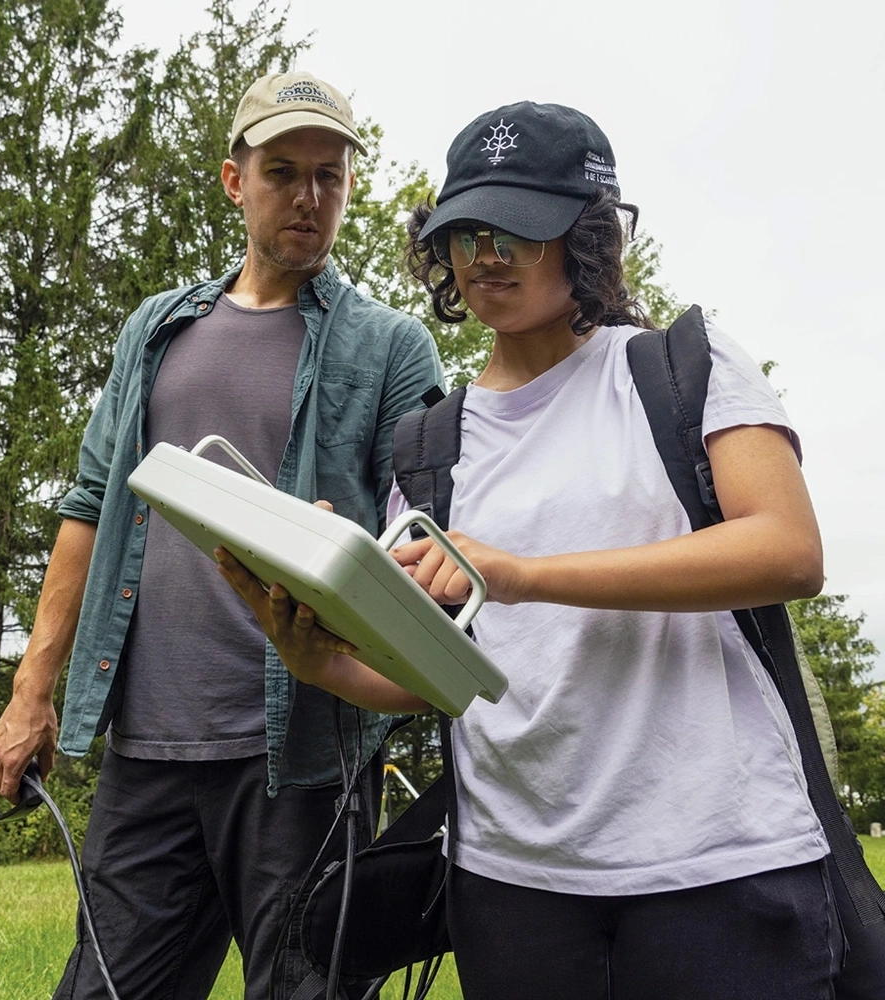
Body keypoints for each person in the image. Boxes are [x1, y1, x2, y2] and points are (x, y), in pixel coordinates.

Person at [217, 101, 845, 999]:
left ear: (588, 237)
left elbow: (789, 550)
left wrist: (520, 574)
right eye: (465, 231)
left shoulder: (680, 369)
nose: (484, 255)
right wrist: (321, 661)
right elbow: (440, 674)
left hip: (718, 864)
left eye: (518, 228)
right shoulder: (429, 444)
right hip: (512, 884)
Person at [0, 70, 442, 999]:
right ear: (235, 180)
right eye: (283, 172)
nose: (310, 198)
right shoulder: (159, 329)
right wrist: (32, 695)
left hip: (302, 757)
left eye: (330, 175)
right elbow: (86, 510)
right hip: (146, 752)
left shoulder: (392, 347)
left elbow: (425, 546)